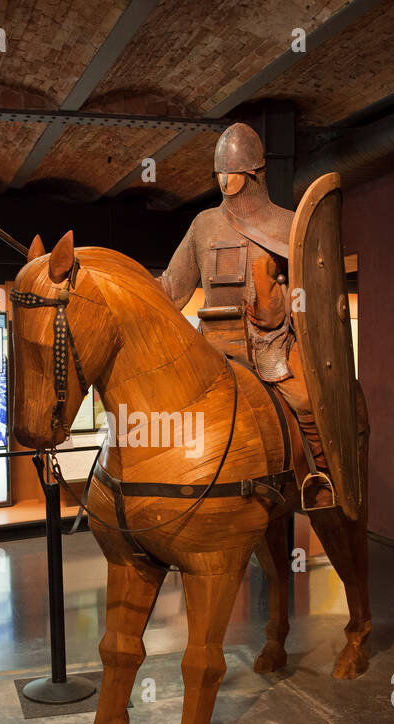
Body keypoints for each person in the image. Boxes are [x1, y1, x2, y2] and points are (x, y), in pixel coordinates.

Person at [157, 121, 339, 506]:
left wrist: (280, 302)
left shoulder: (290, 224)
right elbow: (172, 286)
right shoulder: (203, 225)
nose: (225, 181)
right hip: (211, 345)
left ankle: (322, 476)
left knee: (306, 400)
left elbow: (313, 293)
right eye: (220, 174)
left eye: (234, 174)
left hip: (269, 342)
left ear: (254, 174)